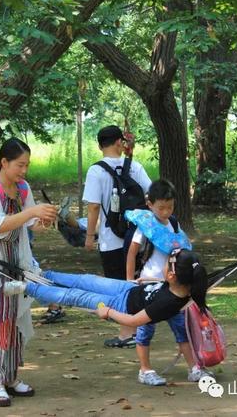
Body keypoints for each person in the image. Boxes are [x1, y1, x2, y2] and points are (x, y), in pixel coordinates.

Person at [0, 138, 57, 407]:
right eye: (19, 165)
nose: (24, 171)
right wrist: (32, 211)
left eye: (27, 165)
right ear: (3, 163)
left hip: (17, 261)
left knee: (15, 316)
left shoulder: (23, 187)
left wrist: (42, 219)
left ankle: (12, 375)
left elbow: (29, 224)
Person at [125, 179, 214, 386]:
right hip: (149, 286)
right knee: (146, 329)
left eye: (170, 207)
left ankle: (194, 368)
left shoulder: (174, 224)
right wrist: (129, 280)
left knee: (181, 328)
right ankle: (145, 370)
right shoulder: (145, 226)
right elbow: (131, 253)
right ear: (150, 204)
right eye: (161, 207)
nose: (166, 212)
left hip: (173, 287)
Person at [4, 249, 208, 330]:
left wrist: (108, 312)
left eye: (167, 263)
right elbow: (163, 288)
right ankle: (42, 274)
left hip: (118, 306)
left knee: (73, 296)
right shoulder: (180, 286)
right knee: (84, 280)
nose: (163, 265)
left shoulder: (169, 303)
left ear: (172, 275)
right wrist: (151, 280)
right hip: (127, 289)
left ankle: (26, 287)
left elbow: (134, 321)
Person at [83, 125, 152, 348]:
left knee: (118, 286)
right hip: (135, 237)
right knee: (134, 282)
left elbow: (93, 207)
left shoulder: (96, 171)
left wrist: (89, 236)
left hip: (110, 239)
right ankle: (139, 328)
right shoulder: (135, 167)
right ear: (118, 142)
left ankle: (127, 333)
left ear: (100, 144)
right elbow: (151, 194)